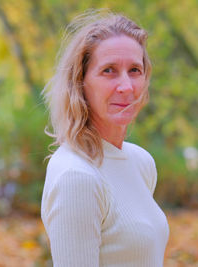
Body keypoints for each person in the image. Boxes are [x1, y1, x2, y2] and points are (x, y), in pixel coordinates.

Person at [41, 10, 169, 267]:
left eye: (135, 70)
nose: (126, 86)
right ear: (80, 83)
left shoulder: (140, 162)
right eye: (109, 71)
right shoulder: (76, 177)